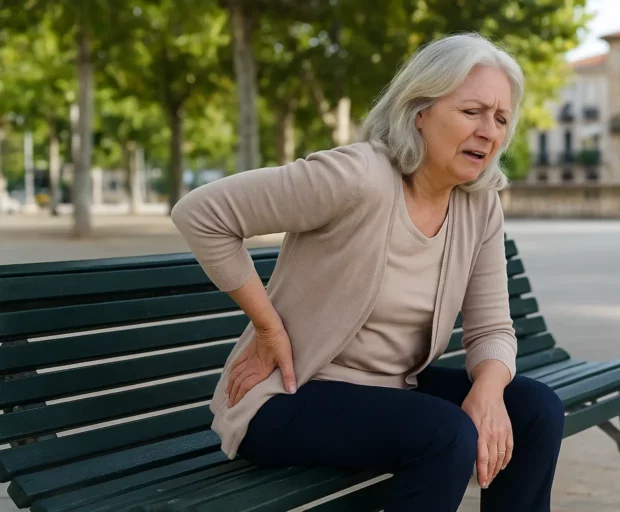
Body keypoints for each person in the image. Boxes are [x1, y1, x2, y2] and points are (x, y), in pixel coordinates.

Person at [171, 32, 564, 512]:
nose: (489, 130)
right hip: (288, 397)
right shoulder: (357, 176)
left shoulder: (478, 205)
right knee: (445, 435)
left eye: (501, 118)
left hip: (393, 392)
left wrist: (488, 391)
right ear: (419, 112)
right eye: (472, 112)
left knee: (536, 410)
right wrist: (268, 326)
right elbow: (201, 213)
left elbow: (493, 329)